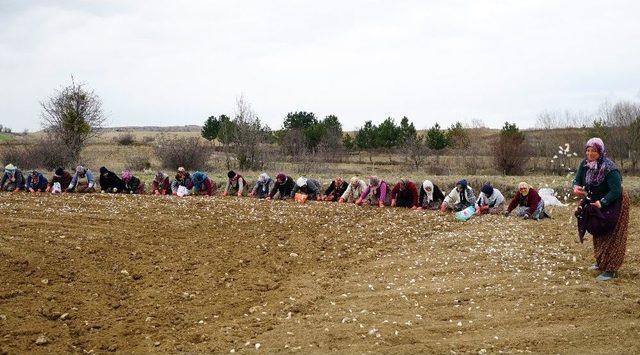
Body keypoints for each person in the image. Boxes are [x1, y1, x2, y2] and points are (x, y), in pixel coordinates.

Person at [573, 138, 630, 281]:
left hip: (614, 201)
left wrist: (602, 202)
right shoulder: (585, 164)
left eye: (594, 150)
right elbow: (577, 180)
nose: (590, 153)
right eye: (588, 150)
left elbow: (616, 191)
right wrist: (576, 187)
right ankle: (601, 262)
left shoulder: (610, 168)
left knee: (612, 235)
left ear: (601, 151)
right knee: (598, 231)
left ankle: (611, 269)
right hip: (595, 200)